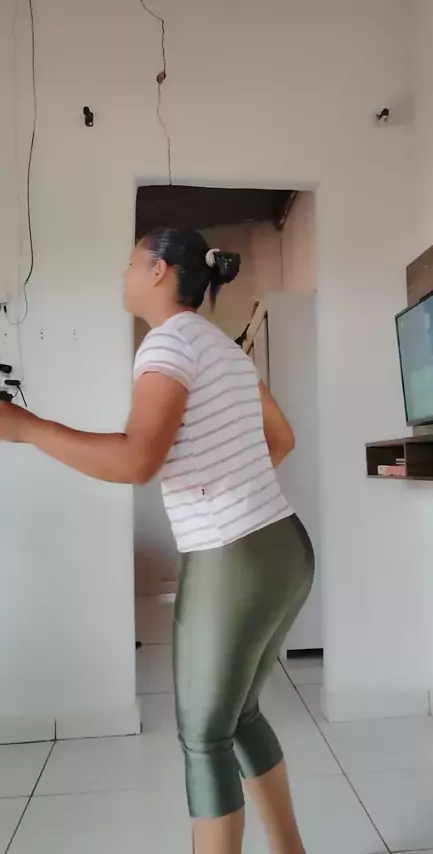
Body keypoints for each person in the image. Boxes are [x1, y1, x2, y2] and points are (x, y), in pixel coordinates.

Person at [0, 228, 314, 854]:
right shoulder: (223, 348)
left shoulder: (168, 342)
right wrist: (231, 485)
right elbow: (281, 439)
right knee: (240, 716)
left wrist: (27, 428)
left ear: (159, 271)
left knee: (205, 738)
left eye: (130, 263)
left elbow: (137, 461)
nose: (122, 274)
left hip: (233, 557)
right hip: (285, 546)